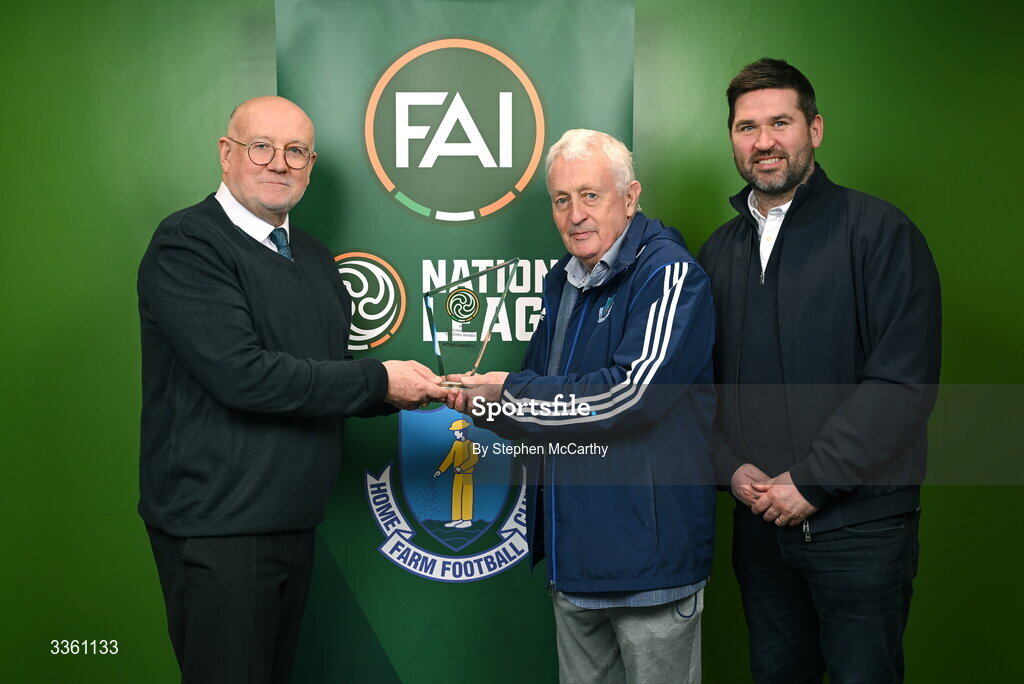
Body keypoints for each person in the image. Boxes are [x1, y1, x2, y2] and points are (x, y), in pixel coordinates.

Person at [137, 95, 447, 684]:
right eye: (262, 147)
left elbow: (319, 375)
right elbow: (243, 375)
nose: (279, 163)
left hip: (293, 517)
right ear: (227, 154)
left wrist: (410, 391)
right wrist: (380, 378)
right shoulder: (188, 244)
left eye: (296, 151)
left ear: (310, 164)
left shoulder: (312, 256)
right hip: (218, 526)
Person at [697, 58, 941, 683]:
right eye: (747, 127)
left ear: (816, 129)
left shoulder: (881, 232)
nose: (764, 141)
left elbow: (902, 385)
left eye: (781, 122)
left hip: (862, 531)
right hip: (759, 534)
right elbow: (700, 390)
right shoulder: (717, 254)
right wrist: (730, 469)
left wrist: (812, 481)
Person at [447, 129, 716, 684]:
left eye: (591, 195)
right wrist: (481, 405)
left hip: (649, 566)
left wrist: (512, 391)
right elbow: (544, 411)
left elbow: (631, 396)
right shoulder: (561, 283)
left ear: (631, 197)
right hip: (575, 562)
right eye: (562, 199)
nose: (575, 214)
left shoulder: (668, 272)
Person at [433, 418, 478, 528]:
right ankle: (456, 519)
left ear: (462, 431)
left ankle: (467, 520)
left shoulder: (471, 444)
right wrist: (440, 470)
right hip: (457, 476)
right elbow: (449, 458)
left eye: (456, 431)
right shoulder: (456, 444)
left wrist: (461, 468)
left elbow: (474, 459)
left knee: (466, 496)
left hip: (467, 475)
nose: (454, 434)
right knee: (456, 496)